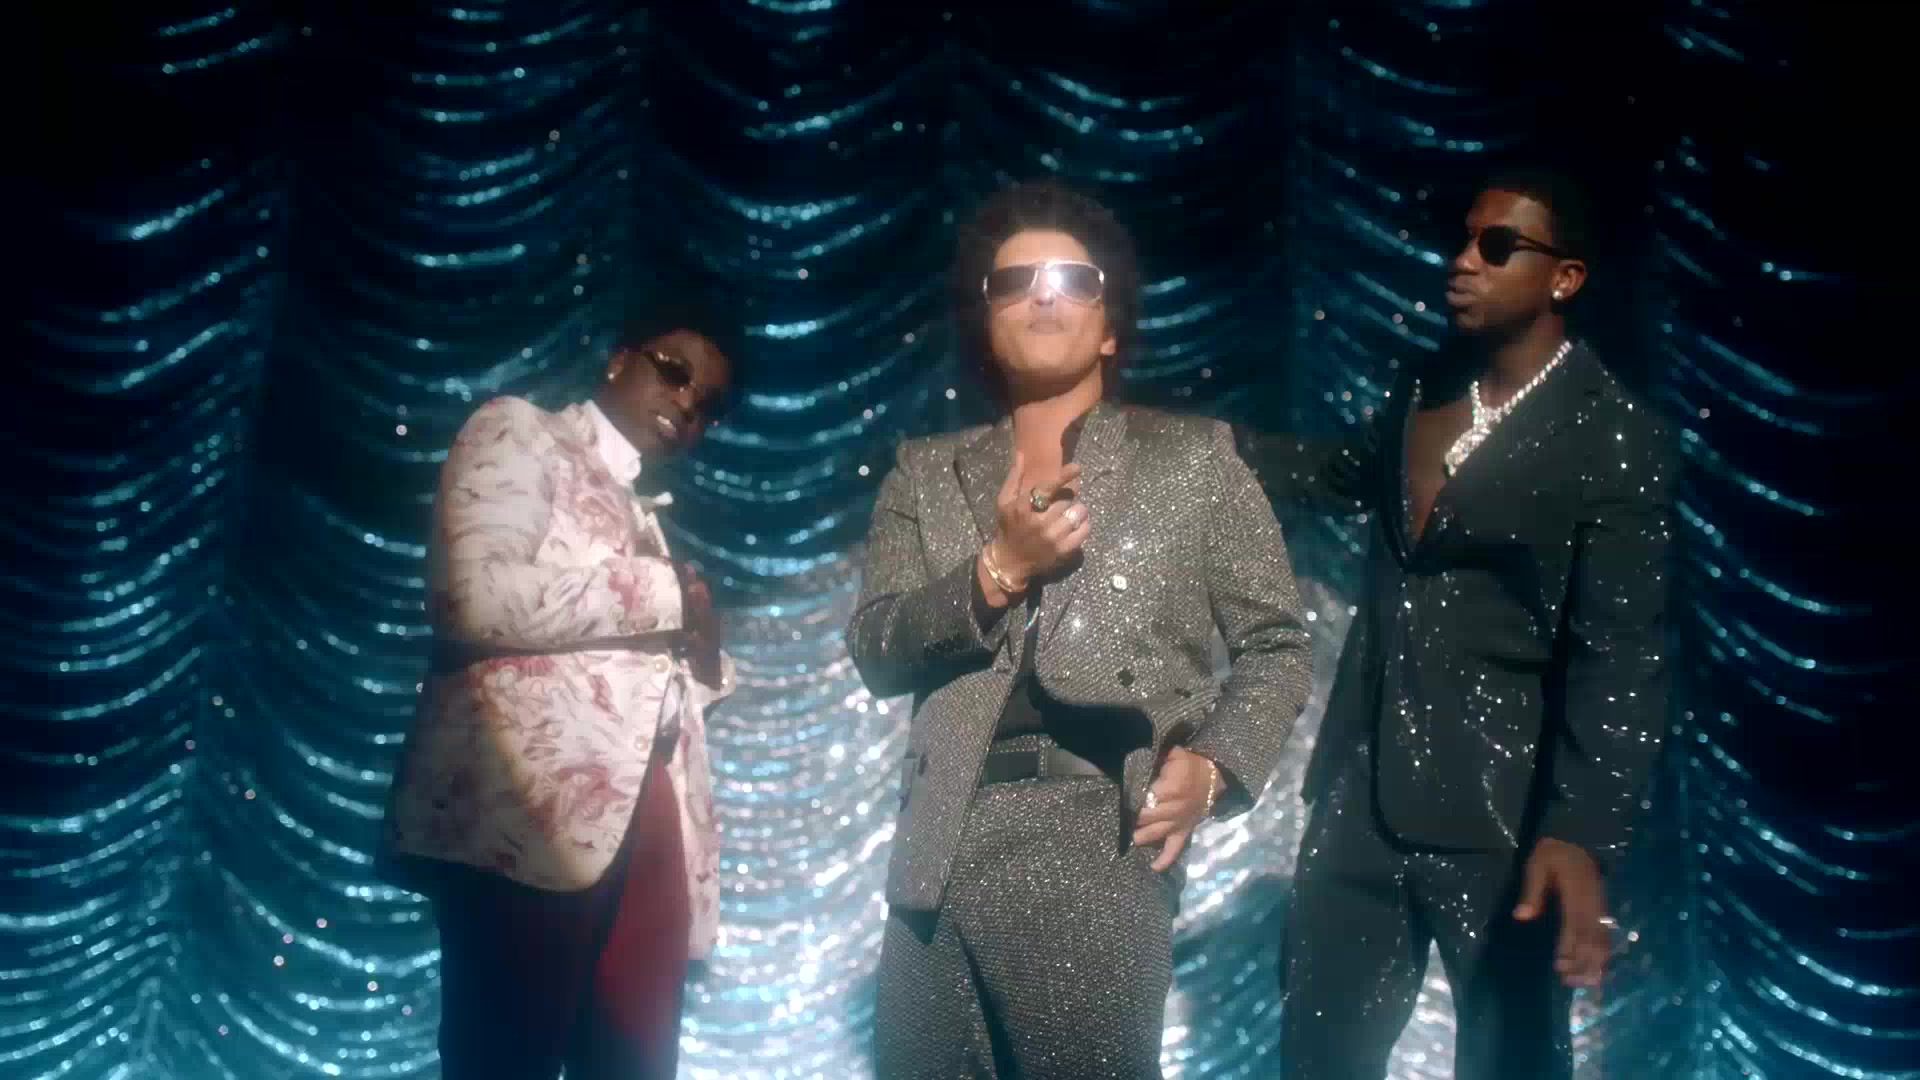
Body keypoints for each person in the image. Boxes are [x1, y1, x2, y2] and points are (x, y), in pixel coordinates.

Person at [849, 179, 1314, 1079]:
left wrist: (1214, 766)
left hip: (1098, 837)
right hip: (937, 850)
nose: (1042, 294)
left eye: (1072, 279)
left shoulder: (1194, 459)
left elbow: (1277, 647)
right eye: (1013, 282)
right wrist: (998, 570)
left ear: (1110, 327)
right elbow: (876, 647)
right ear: (985, 324)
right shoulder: (923, 473)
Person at [1239, 168, 1674, 1079]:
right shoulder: (1423, 388)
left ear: (1565, 277)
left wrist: (1579, 834)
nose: (1463, 261)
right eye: (1464, 240)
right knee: (1316, 1058)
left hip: (1503, 822)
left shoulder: (1612, 436)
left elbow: (1619, 657)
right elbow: (1334, 475)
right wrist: (1191, 448)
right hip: (1359, 798)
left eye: (1498, 246)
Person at [377, 305, 737, 1080]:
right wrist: (660, 594)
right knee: (505, 1061)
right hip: (527, 800)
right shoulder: (519, 430)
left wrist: (702, 656)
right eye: (674, 372)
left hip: (651, 807)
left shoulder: (644, 510)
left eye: (706, 403)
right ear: (618, 360)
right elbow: (469, 597)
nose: (685, 404)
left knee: (635, 1067)